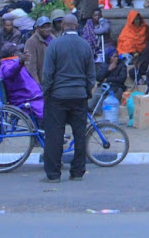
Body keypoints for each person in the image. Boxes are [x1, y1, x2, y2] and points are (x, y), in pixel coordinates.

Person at [40, 14, 95, 183]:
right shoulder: (85, 46)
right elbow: (91, 75)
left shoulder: (54, 45)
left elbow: (48, 74)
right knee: (79, 134)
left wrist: (46, 92)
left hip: (58, 96)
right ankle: (78, 171)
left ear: (62, 26)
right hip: (79, 95)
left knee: (54, 135)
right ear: (77, 26)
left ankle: (53, 173)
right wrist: (86, 91)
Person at [0, 42, 43, 121]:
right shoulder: (6, 65)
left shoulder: (10, 63)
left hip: (32, 95)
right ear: (13, 54)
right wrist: (20, 62)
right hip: (26, 98)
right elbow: (10, 71)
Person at [88, 47, 127, 115]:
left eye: (117, 56)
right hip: (104, 86)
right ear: (109, 57)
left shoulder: (121, 65)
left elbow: (122, 78)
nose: (116, 58)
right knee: (97, 95)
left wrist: (108, 79)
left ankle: (99, 112)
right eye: (114, 57)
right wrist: (109, 69)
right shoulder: (104, 65)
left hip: (117, 87)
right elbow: (99, 78)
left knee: (108, 98)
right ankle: (89, 110)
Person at [24, 16, 54, 83]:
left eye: (48, 26)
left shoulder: (54, 40)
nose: (46, 29)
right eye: (43, 27)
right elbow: (31, 67)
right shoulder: (31, 42)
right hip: (41, 81)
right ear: (37, 28)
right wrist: (37, 85)